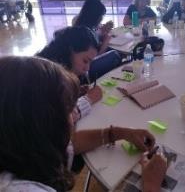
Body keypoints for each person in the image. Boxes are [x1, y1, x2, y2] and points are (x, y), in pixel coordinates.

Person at [0, 57, 167, 192]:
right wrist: (151, 186)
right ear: (42, 123)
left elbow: (71, 143)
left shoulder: (22, 146)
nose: (74, 115)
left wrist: (119, 133)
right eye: (67, 110)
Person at [37, 26, 103, 121]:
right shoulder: (44, 75)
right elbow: (56, 121)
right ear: (69, 51)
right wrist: (88, 99)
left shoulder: (52, 64)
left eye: (90, 62)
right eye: (85, 61)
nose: (87, 68)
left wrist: (72, 93)